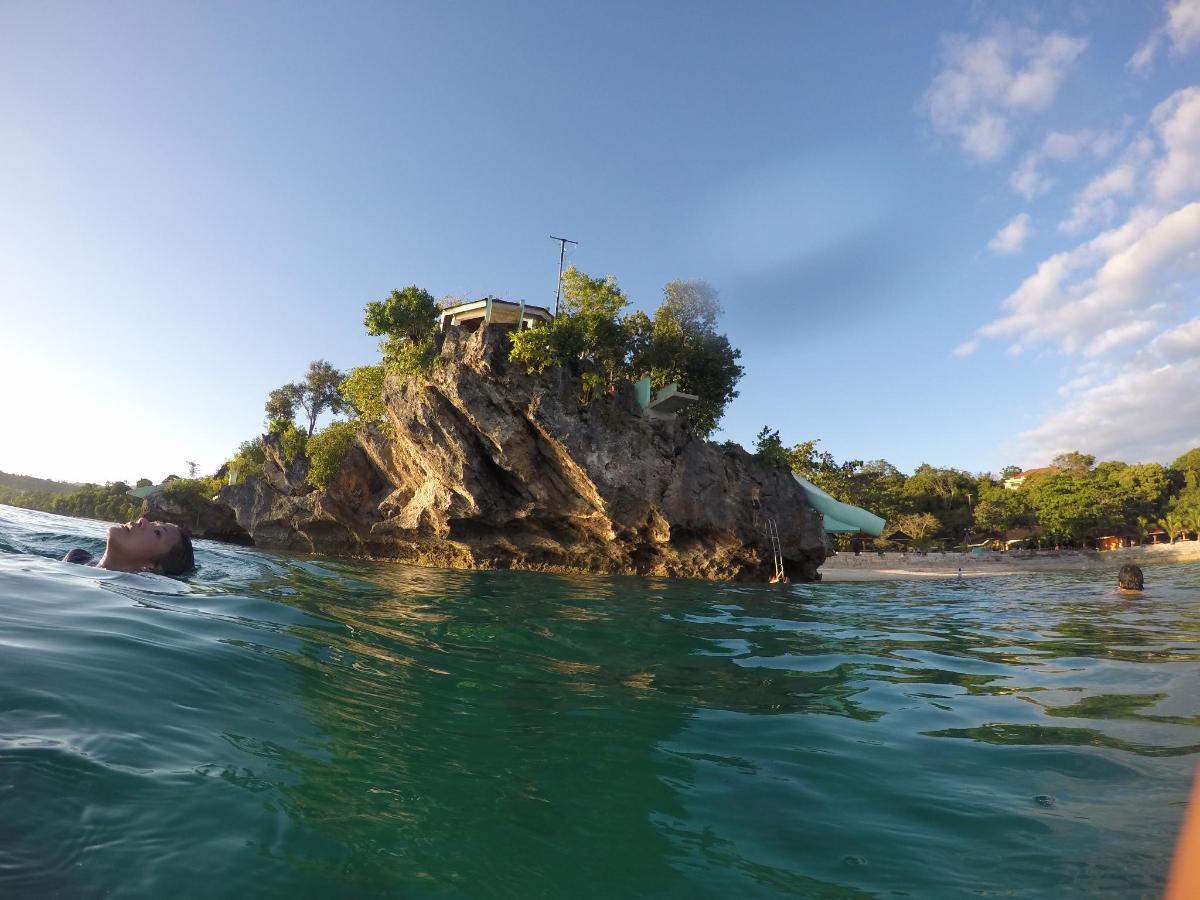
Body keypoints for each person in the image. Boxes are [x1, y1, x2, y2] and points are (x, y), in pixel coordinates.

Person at [64, 516, 194, 575]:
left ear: (151, 567)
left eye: (157, 533)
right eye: (153, 523)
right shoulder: (75, 557)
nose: (142, 520)